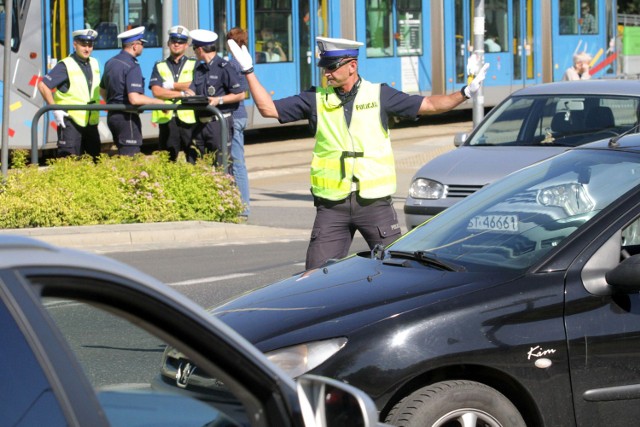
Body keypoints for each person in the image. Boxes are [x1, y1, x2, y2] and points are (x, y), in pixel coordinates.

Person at [228, 36, 489, 270]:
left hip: (374, 204)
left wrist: (465, 93)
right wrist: (249, 71)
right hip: (332, 205)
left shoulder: (380, 95)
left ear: (351, 66)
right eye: (324, 68)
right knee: (314, 278)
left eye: (331, 67)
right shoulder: (315, 99)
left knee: (398, 271)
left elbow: (430, 104)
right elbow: (268, 109)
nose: (326, 74)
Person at [100, 26, 166, 156]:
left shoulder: (110, 62)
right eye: (142, 44)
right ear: (135, 46)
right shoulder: (132, 66)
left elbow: (102, 90)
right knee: (131, 161)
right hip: (127, 118)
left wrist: (114, 102)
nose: (143, 47)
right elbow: (134, 98)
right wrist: (158, 102)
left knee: (123, 157)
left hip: (113, 117)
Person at [38, 29, 102, 159]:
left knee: (95, 163)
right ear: (75, 44)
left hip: (90, 122)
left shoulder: (94, 63)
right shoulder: (66, 65)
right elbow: (43, 85)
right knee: (69, 163)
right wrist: (55, 109)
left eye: (90, 45)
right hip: (70, 122)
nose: (87, 49)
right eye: (83, 45)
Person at [188, 29, 245, 171]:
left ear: (200, 49)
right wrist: (186, 94)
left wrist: (218, 100)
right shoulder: (199, 69)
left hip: (218, 124)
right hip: (201, 125)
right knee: (198, 166)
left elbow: (239, 94)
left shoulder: (224, 67)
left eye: (194, 49)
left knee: (222, 165)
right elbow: (192, 89)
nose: (194, 52)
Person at [149, 25, 198, 162]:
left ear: (186, 45)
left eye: (181, 41)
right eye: (174, 41)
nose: (177, 44)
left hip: (190, 119)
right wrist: (182, 93)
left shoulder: (195, 64)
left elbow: (196, 86)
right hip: (168, 120)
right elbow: (156, 91)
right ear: (168, 43)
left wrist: (170, 86)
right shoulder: (159, 65)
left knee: (194, 159)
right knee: (167, 161)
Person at [226, 28, 251, 219]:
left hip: (234, 115)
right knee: (235, 162)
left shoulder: (232, 63)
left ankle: (243, 208)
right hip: (240, 115)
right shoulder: (244, 59)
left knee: (236, 163)